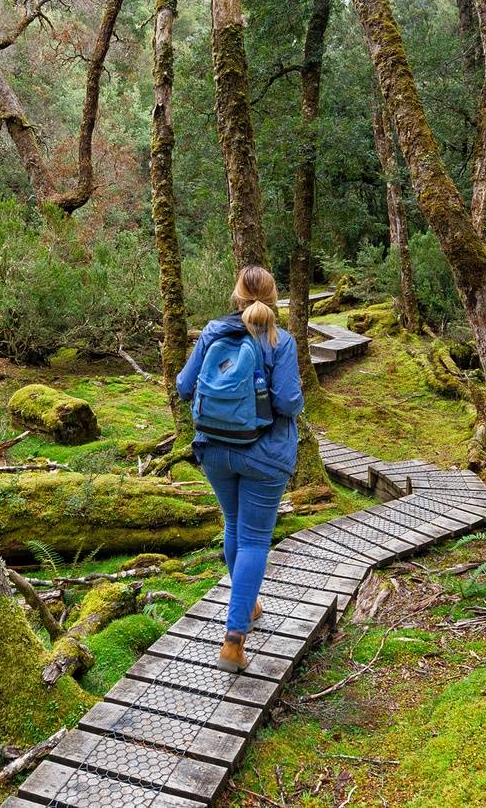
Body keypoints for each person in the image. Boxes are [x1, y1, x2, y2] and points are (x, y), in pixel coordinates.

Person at [175, 265, 305, 672]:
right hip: (264, 454)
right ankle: (233, 641)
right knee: (253, 540)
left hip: (214, 449)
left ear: (236, 296)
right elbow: (287, 403)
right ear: (273, 296)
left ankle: (246, 607)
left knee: (233, 526)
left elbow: (183, 386)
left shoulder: (214, 331)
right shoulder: (280, 341)